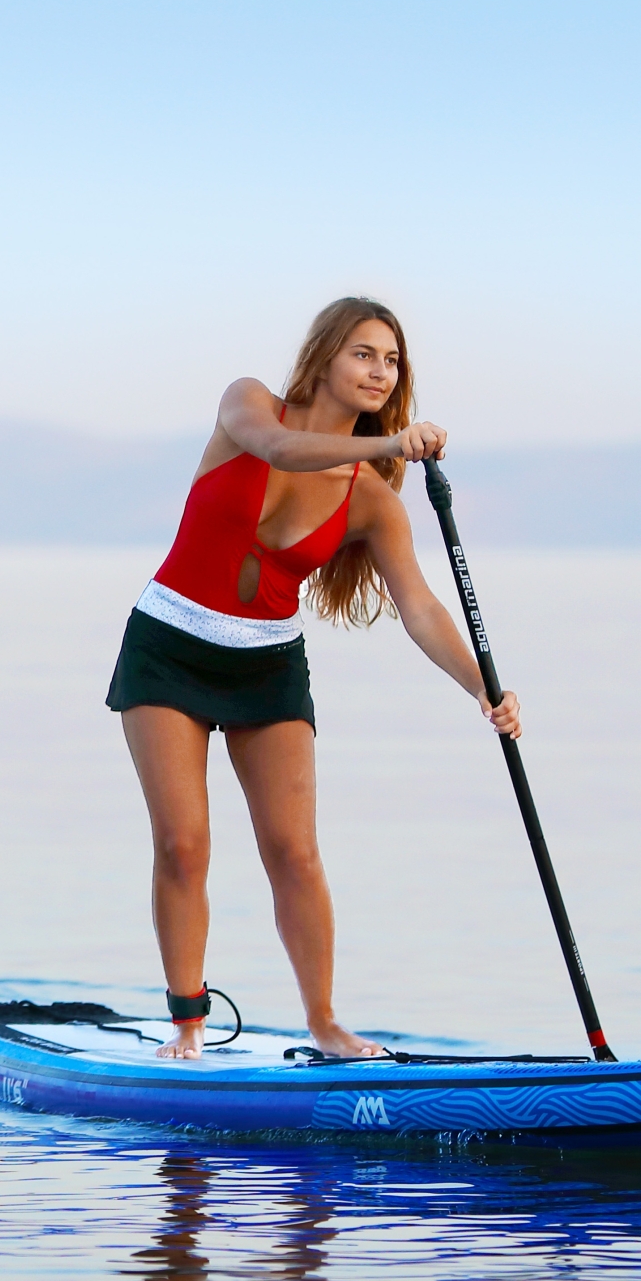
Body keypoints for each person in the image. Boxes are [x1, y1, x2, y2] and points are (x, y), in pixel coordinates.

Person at [106, 297, 522, 1058]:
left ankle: (326, 1023)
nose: (379, 370)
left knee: (295, 852)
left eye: (391, 361)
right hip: (170, 644)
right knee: (184, 842)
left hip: (268, 662)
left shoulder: (370, 496)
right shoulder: (250, 404)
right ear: (327, 355)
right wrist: (395, 439)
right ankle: (188, 1027)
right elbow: (282, 447)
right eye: (364, 353)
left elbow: (422, 608)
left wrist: (483, 687)